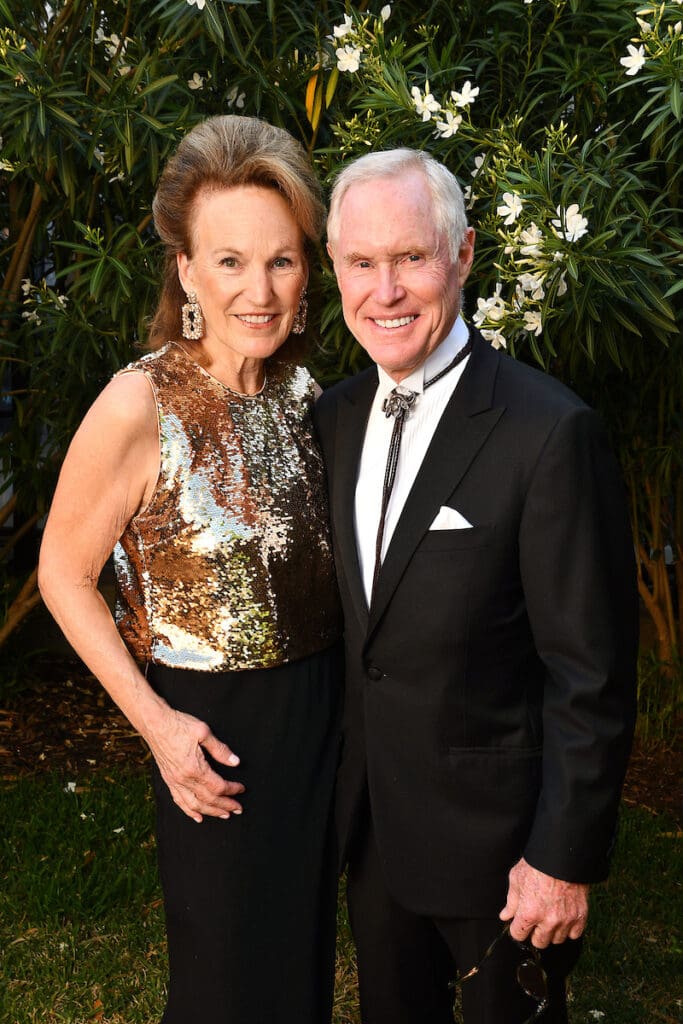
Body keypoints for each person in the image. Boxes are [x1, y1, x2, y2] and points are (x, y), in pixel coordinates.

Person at [315, 147, 638, 1024]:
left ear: (460, 257)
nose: (385, 290)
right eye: (361, 263)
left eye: (410, 257)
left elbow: (592, 674)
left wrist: (560, 858)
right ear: (336, 270)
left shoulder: (549, 431)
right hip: (374, 834)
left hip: (504, 857)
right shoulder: (334, 418)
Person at [38, 114, 343, 1024]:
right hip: (213, 736)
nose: (258, 289)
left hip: (318, 722)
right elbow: (61, 573)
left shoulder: (304, 394)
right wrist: (160, 728)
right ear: (185, 272)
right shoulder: (139, 401)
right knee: (222, 987)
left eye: (281, 261)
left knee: (298, 976)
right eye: (230, 261)